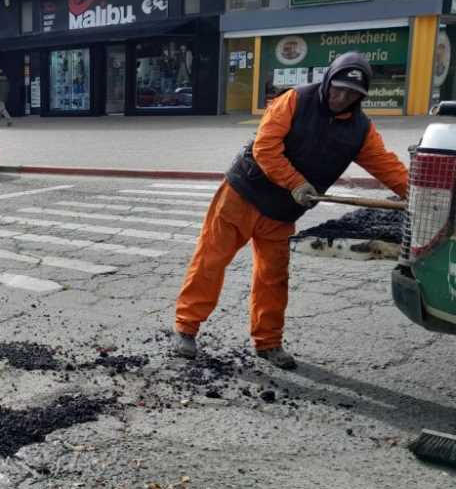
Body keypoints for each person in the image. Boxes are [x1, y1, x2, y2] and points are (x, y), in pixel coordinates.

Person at [172, 52, 409, 370]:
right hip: (242, 195)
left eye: (352, 94)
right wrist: (296, 182)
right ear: (327, 80)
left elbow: (388, 167)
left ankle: (268, 343)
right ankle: (186, 328)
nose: (342, 98)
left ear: (361, 97)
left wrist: (419, 194)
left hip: (281, 211)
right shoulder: (295, 100)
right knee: (210, 262)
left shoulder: (360, 130)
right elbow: (265, 148)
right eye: (338, 88)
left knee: (273, 278)